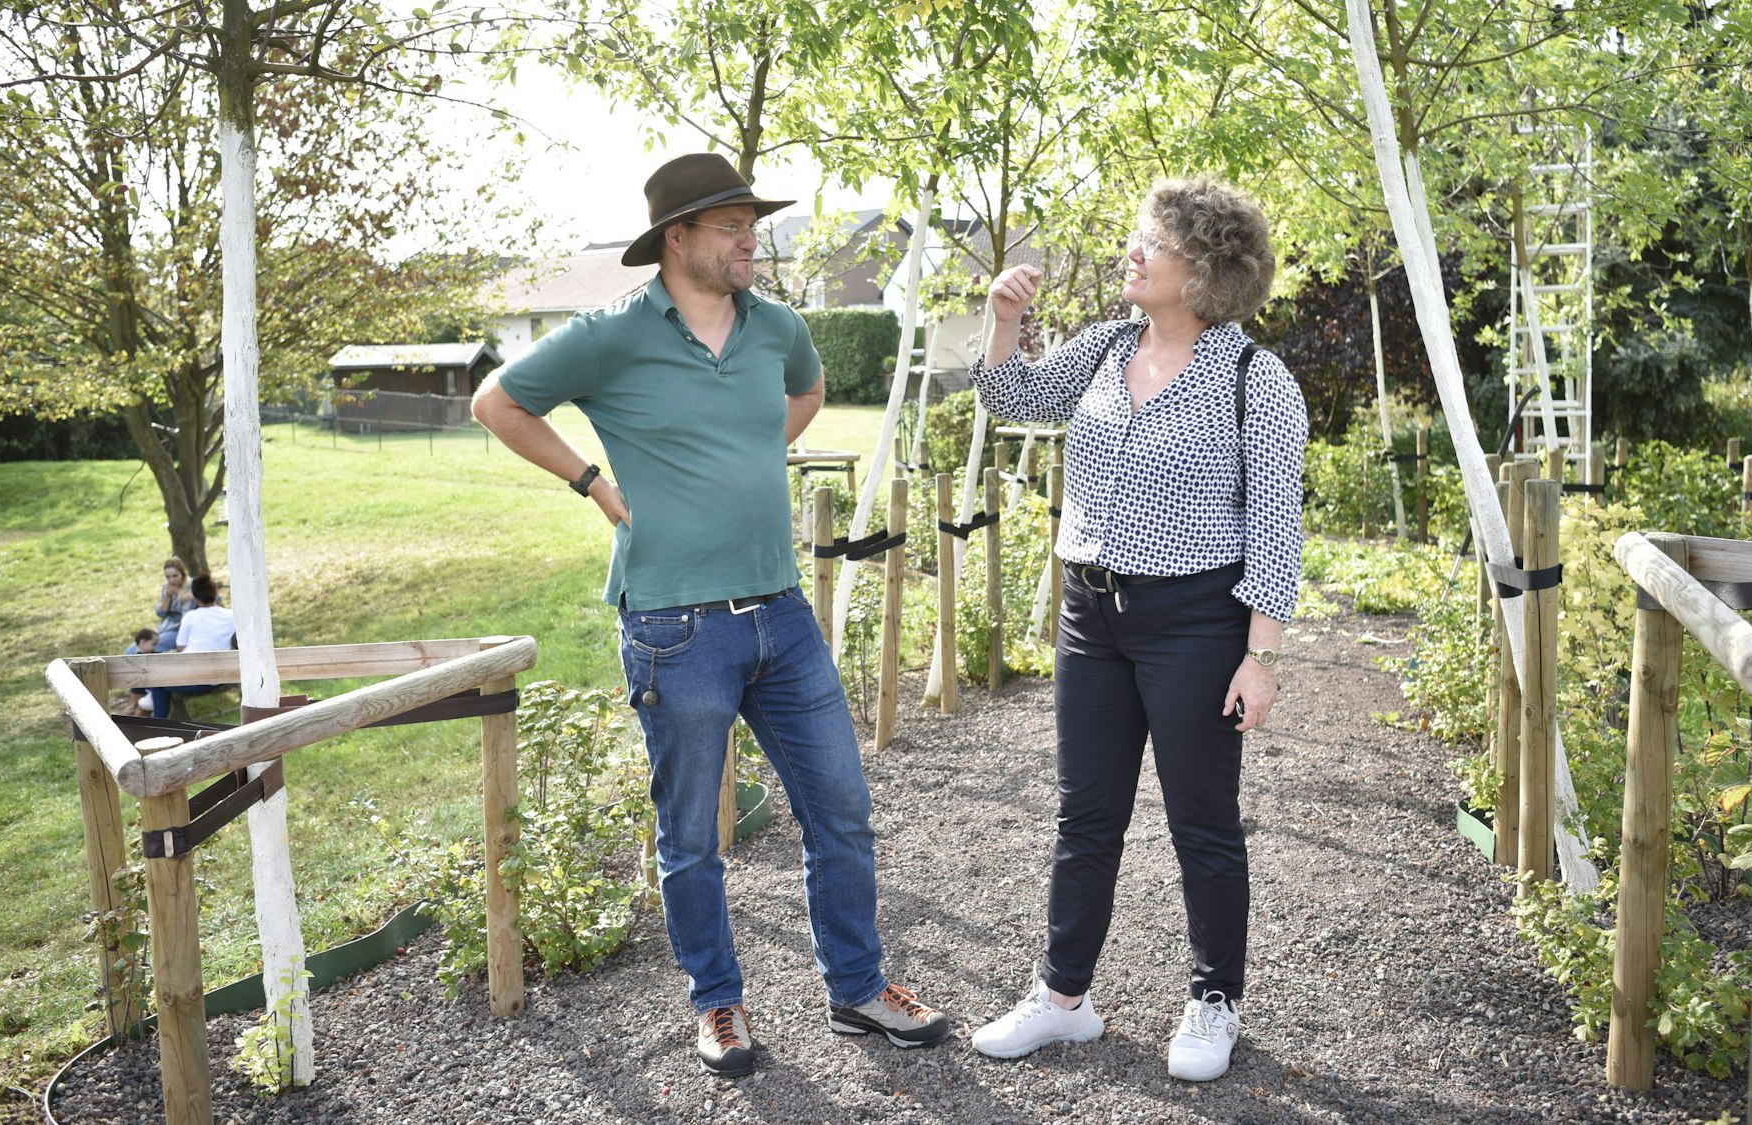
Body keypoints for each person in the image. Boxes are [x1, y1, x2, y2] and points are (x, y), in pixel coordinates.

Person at [471, 152, 950, 1078]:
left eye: (752, 222)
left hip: (782, 615)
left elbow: (803, 391)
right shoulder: (610, 336)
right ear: (675, 238)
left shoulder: (777, 326)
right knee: (693, 835)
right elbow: (498, 400)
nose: (749, 238)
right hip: (673, 629)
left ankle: (856, 987)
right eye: (730, 224)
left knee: (842, 810)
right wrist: (595, 485)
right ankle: (718, 1005)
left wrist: (749, 451)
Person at [966, 178, 1307, 1083]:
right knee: (1086, 815)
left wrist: (1260, 655)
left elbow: (1277, 525)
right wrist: (1001, 317)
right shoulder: (1105, 346)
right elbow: (1010, 396)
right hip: (1090, 614)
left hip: (1195, 621)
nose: (1134, 250)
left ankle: (1213, 1000)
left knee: (1201, 819)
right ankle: (1064, 998)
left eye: (1152, 240)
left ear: (1204, 269)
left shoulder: (1254, 380)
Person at [150, 573, 235, 719]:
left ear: (195, 596)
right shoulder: (232, 615)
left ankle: (160, 724)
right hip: (224, 674)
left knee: (156, 680)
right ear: (216, 593)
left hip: (196, 679)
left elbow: (180, 649)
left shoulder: (190, 617)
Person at [153, 557, 197, 652]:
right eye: (168, 577)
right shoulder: (167, 588)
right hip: (165, 627)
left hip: (181, 629)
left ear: (182, 573)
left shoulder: (193, 586)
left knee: (154, 647)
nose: (171, 580)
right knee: (131, 651)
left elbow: (214, 599)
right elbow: (160, 613)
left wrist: (194, 596)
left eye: (175, 576)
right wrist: (167, 597)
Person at [121, 627, 157, 716]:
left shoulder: (154, 655)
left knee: (141, 710)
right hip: (139, 689)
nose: (155, 647)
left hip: (149, 688)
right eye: (153, 644)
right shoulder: (136, 659)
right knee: (139, 710)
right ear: (143, 642)